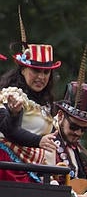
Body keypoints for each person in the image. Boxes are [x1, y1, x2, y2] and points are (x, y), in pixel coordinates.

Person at [0, 33, 60, 178]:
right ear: (23, 70)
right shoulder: (12, 95)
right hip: (8, 168)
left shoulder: (47, 105)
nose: (41, 77)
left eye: (46, 72)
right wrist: (39, 141)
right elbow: (9, 131)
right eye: (36, 70)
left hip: (33, 172)